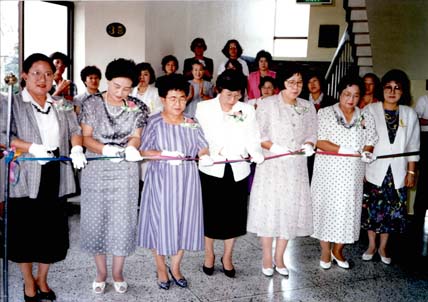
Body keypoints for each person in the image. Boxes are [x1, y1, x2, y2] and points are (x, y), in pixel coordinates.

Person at [6, 53, 86, 302]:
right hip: (27, 173)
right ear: (25, 75)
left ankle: (42, 278)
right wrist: (30, 147)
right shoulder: (12, 103)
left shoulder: (61, 102)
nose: (42, 79)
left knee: (51, 231)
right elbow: (3, 135)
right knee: (25, 231)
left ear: (54, 77)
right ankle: (28, 282)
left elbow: (74, 130)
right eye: (36, 73)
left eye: (48, 74)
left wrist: (76, 148)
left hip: (55, 171)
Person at [79, 58, 149, 294]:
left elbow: (136, 136)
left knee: (123, 219)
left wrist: (131, 147)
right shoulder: (91, 103)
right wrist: (106, 150)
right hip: (97, 166)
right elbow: (86, 137)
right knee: (95, 219)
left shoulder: (138, 106)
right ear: (108, 81)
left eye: (127, 88)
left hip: (125, 169)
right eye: (117, 86)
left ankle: (118, 272)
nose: (121, 92)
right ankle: (101, 272)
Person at [137, 74, 211, 290]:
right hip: (161, 181)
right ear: (163, 99)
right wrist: (164, 154)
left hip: (188, 181)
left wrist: (204, 155)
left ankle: (176, 267)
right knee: (159, 224)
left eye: (182, 98)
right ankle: (161, 267)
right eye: (173, 98)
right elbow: (143, 150)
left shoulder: (191, 122)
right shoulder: (154, 122)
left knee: (184, 223)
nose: (178, 103)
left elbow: (202, 145)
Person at [247, 65, 317, 277]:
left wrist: (309, 144)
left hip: (296, 168)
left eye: (299, 83)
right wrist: (274, 147)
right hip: (273, 166)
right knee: (270, 211)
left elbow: (312, 131)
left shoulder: (307, 106)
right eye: (291, 82)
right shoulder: (267, 104)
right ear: (282, 84)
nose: (295, 87)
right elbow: (259, 134)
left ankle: (280, 257)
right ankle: (267, 257)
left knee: (289, 210)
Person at [195, 69, 264, 278]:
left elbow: (253, 136)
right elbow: (198, 136)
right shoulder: (204, 107)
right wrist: (204, 153)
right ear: (218, 90)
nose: (233, 100)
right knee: (210, 215)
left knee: (233, 217)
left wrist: (256, 153)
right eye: (228, 95)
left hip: (237, 169)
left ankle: (227, 256)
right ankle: (209, 255)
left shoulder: (247, 109)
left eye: (237, 95)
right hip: (211, 168)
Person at [311, 74, 378, 270]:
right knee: (326, 209)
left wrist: (367, 152)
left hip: (352, 175)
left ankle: (338, 250)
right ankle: (325, 250)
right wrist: (344, 150)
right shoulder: (324, 113)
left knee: (348, 211)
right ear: (339, 93)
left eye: (356, 96)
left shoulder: (365, 116)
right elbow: (319, 140)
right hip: (328, 172)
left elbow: (371, 139)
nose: (351, 100)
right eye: (347, 94)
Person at [361, 69, 420, 264]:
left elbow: (413, 145)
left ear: (403, 92)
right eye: (388, 87)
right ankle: (371, 245)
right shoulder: (370, 110)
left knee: (391, 212)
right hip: (374, 169)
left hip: (398, 171)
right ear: (382, 89)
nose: (392, 91)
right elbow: (363, 140)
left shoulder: (409, 114)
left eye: (397, 88)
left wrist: (411, 171)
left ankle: (384, 247)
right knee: (372, 210)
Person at [303, 71, 337, 182]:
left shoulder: (332, 102)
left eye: (315, 81)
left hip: (325, 143)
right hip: (306, 143)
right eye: (309, 82)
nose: (312, 84)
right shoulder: (301, 101)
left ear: (321, 82)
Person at [414, 92, 428, 258]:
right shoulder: (424, 98)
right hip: (426, 140)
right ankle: (417, 220)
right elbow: (416, 120)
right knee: (424, 182)